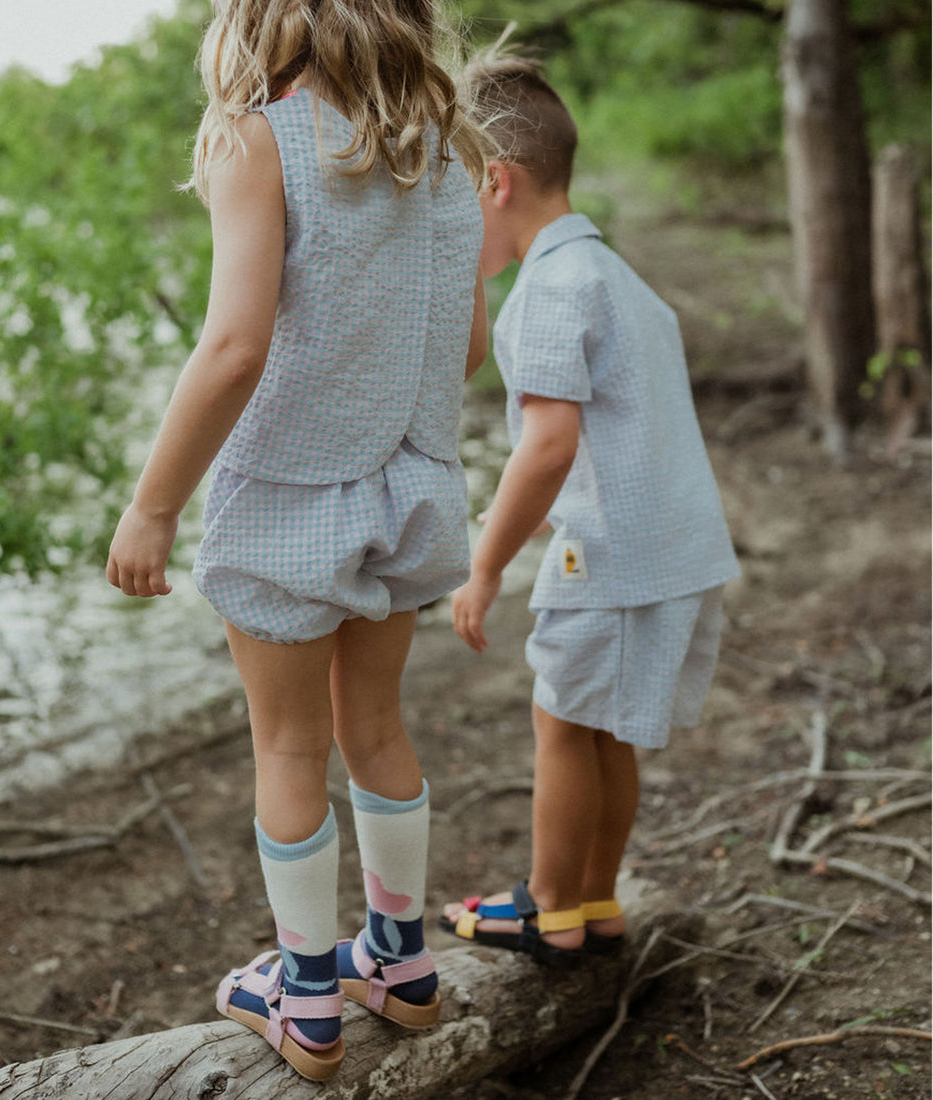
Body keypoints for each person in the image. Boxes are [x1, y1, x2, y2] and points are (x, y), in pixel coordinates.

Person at [106, 0, 487, 1081]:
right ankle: (401, 966)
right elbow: (463, 344)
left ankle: (306, 995)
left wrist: (153, 505)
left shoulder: (253, 135)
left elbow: (232, 346)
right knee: (374, 724)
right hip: (410, 487)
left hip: (283, 496)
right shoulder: (442, 154)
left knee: (286, 747)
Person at [440, 54, 740, 967]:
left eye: (451, 196)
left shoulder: (544, 291)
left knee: (560, 722)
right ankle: (598, 901)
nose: (446, 223)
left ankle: (549, 906)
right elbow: (618, 435)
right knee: (604, 727)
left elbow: (549, 443)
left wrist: (485, 565)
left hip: (614, 562)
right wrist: (537, 514)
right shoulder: (618, 280)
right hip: (674, 548)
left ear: (495, 183)